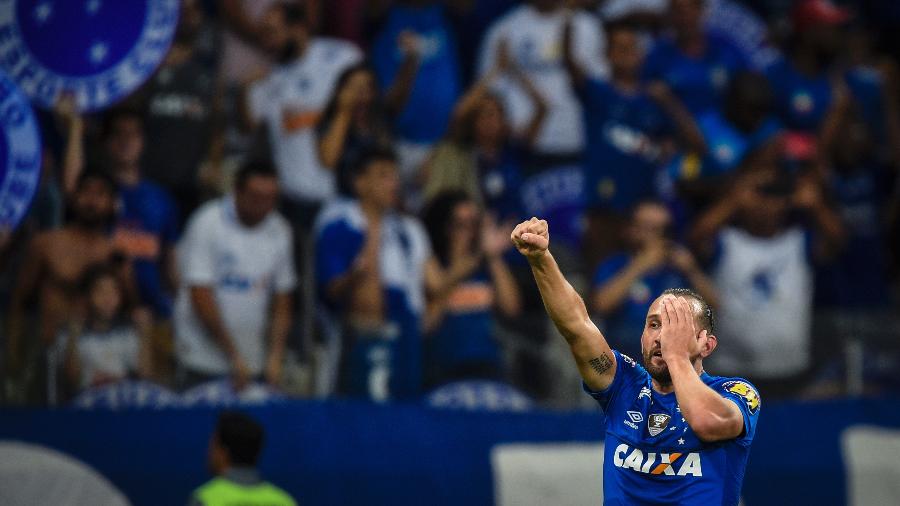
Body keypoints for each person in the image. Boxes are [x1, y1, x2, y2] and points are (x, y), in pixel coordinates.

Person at [510, 217, 760, 505]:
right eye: (654, 325)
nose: (662, 336)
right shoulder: (623, 385)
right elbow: (576, 325)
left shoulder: (736, 393)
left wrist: (676, 355)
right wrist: (541, 259)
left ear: (707, 344)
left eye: (675, 326)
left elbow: (705, 422)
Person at [689, 155, 844, 397]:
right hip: (732, 368)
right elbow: (697, 236)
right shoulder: (727, 241)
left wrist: (815, 205)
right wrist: (734, 199)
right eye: (760, 196)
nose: (766, 205)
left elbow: (838, 240)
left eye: (773, 196)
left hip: (790, 369)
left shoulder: (798, 241)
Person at [564, 19, 705, 265]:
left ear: (642, 54)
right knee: (600, 287)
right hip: (603, 211)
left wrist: (668, 102)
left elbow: (697, 145)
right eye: (619, 47)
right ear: (607, 55)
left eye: (631, 47)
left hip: (643, 214)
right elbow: (569, 63)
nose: (626, 53)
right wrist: (568, 19)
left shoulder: (654, 100)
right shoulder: (599, 93)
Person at [6, 172, 133, 397]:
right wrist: (13, 346)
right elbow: (19, 299)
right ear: (73, 197)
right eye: (86, 192)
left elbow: (129, 307)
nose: (92, 201)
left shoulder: (116, 254)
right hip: (47, 352)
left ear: (113, 203)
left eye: (100, 194)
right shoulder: (47, 244)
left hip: (97, 359)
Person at [174, 161, 295, 391]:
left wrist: (275, 356)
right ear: (237, 191)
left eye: (271, 198)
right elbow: (200, 295)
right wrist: (233, 355)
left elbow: (283, 298)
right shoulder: (207, 223)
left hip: (252, 360)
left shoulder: (280, 230)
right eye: (256, 197)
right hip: (202, 358)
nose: (263, 205)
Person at [243, 1, 362, 226]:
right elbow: (249, 126)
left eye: (273, 33)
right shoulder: (269, 79)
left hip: (343, 194)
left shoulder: (342, 57)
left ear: (298, 28)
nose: (267, 42)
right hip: (292, 199)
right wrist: (244, 91)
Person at [592, 200, 718, 361]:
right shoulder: (615, 264)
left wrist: (692, 270)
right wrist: (640, 266)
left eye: (661, 230)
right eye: (646, 227)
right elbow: (601, 305)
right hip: (625, 363)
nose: (655, 236)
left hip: (674, 363)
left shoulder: (677, 268)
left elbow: (714, 307)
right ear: (630, 229)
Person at [422, 191, 521, 386]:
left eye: (474, 224)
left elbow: (512, 308)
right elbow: (427, 324)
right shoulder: (432, 269)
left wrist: (493, 257)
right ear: (444, 227)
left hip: (489, 367)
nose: (469, 232)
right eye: (461, 225)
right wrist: (461, 268)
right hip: (443, 370)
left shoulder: (485, 271)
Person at [101, 109, 181, 319]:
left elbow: (169, 259)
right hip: (104, 307)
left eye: (133, 134)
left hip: (153, 307)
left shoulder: (161, 198)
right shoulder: (94, 194)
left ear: (143, 141)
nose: (125, 141)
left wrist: (179, 303)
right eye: (118, 134)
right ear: (107, 142)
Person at [371, 0, 462, 182]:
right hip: (399, 144)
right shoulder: (383, 19)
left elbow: (466, 7)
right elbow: (388, 104)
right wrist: (411, 61)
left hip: (447, 142)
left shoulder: (444, 13)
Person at [642, 0, 748, 116]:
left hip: (730, 127)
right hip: (677, 129)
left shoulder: (725, 47)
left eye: (690, 10)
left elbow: (749, 83)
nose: (685, 18)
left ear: (702, 11)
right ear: (670, 16)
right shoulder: (658, 56)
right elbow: (643, 93)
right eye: (678, 12)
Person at [61, 264, 153, 395]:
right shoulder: (71, 333)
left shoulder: (126, 332)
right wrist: (73, 338)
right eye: (100, 291)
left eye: (114, 291)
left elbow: (145, 377)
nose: (108, 298)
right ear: (86, 297)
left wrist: (145, 335)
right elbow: (72, 382)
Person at [189, 411, 296, 506]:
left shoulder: (205, 499)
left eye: (212, 445)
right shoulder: (284, 501)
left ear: (223, 452)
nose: (209, 452)